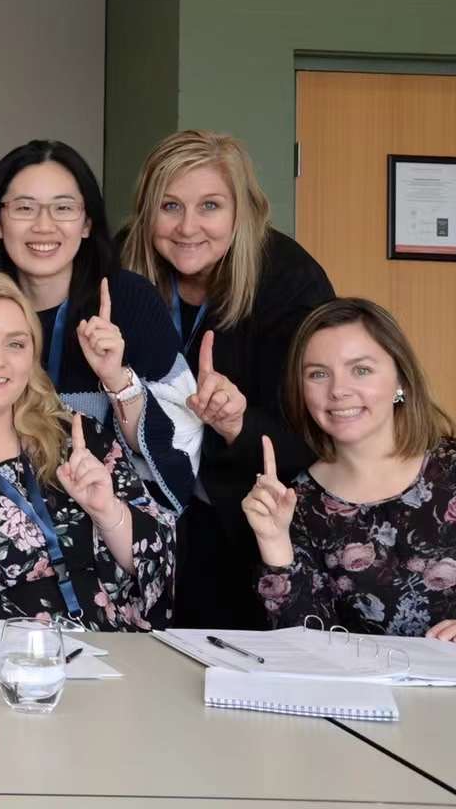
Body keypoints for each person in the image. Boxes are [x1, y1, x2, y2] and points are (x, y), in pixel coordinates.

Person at [122, 130, 334, 628]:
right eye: (169, 206)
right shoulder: (120, 270)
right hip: (134, 515)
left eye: (210, 206)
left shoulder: (288, 279)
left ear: (244, 210)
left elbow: (318, 434)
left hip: (245, 523)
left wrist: (239, 423)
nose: (188, 227)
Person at [0, 270, 176, 627]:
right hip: (13, 671)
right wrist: (57, 658)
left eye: (16, 344)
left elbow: (160, 560)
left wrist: (108, 512)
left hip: (127, 658)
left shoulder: (78, 435)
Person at [247, 298, 456, 643]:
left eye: (360, 370)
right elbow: (307, 647)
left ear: (401, 382)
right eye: (318, 374)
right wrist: (274, 541)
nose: (338, 390)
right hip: (376, 696)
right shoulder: (296, 503)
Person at [0, 140, 199, 517]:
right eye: (25, 208)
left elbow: (183, 440)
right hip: (3, 534)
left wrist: (118, 380)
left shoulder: (130, 300)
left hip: (112, 535)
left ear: (86, 223)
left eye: (63, 208)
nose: (44, 225)